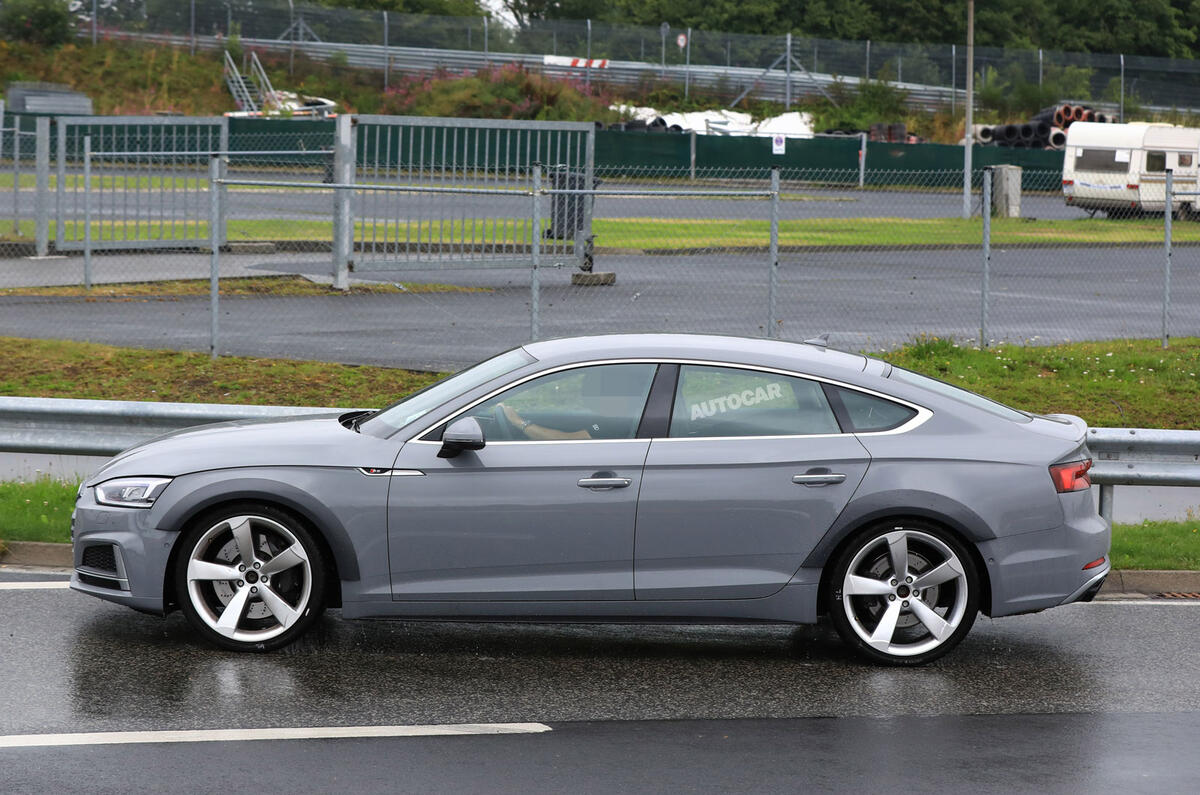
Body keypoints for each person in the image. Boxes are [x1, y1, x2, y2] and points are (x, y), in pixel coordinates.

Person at [495, 365, 653, 441]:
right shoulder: (622, 416)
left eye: (594, 386)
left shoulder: (620, 422)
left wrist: (519, 422)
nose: (586, 392)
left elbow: (567, 440)